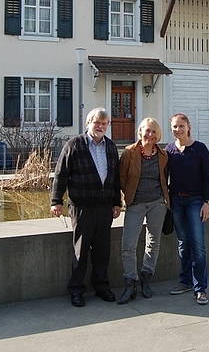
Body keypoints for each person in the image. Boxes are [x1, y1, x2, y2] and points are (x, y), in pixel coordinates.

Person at [51, 107, 122, 307]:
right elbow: (61, 174)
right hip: (82, 207)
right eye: (97, 123)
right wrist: (56, 200)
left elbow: (115, 178)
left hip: (104, 207)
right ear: (88, 123)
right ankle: (76, 290)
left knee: (102, 250)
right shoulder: (74, 145)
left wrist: (117, 202)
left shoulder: (110, 146)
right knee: (80, 251)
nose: (100, 126)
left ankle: (101, 287)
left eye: (104, 123)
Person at [116, 117, 170, 304]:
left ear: (158, 135)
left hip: (157, 204)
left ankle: (146, 276)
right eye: (147, 130)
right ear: (140, 132)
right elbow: (121, 178)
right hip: (135, 204)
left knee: (153, 242)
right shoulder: (129, 153)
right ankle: (130, 282)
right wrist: (126, 197)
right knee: (128, 245)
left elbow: (164, 179)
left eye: (154, 131)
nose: (150, 134)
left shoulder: (162, 155)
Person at [166, 113, 209, 305]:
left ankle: (200, 288)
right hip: (176, 201)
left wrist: (207, 202)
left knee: (198, 246)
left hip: (195, 201)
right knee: (183, 243)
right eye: (175, 127)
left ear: (188, 126)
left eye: (181, 126)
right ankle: (185, 281)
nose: (178, 129)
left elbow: (207, 176)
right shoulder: (169, 150)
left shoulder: (200, 149)